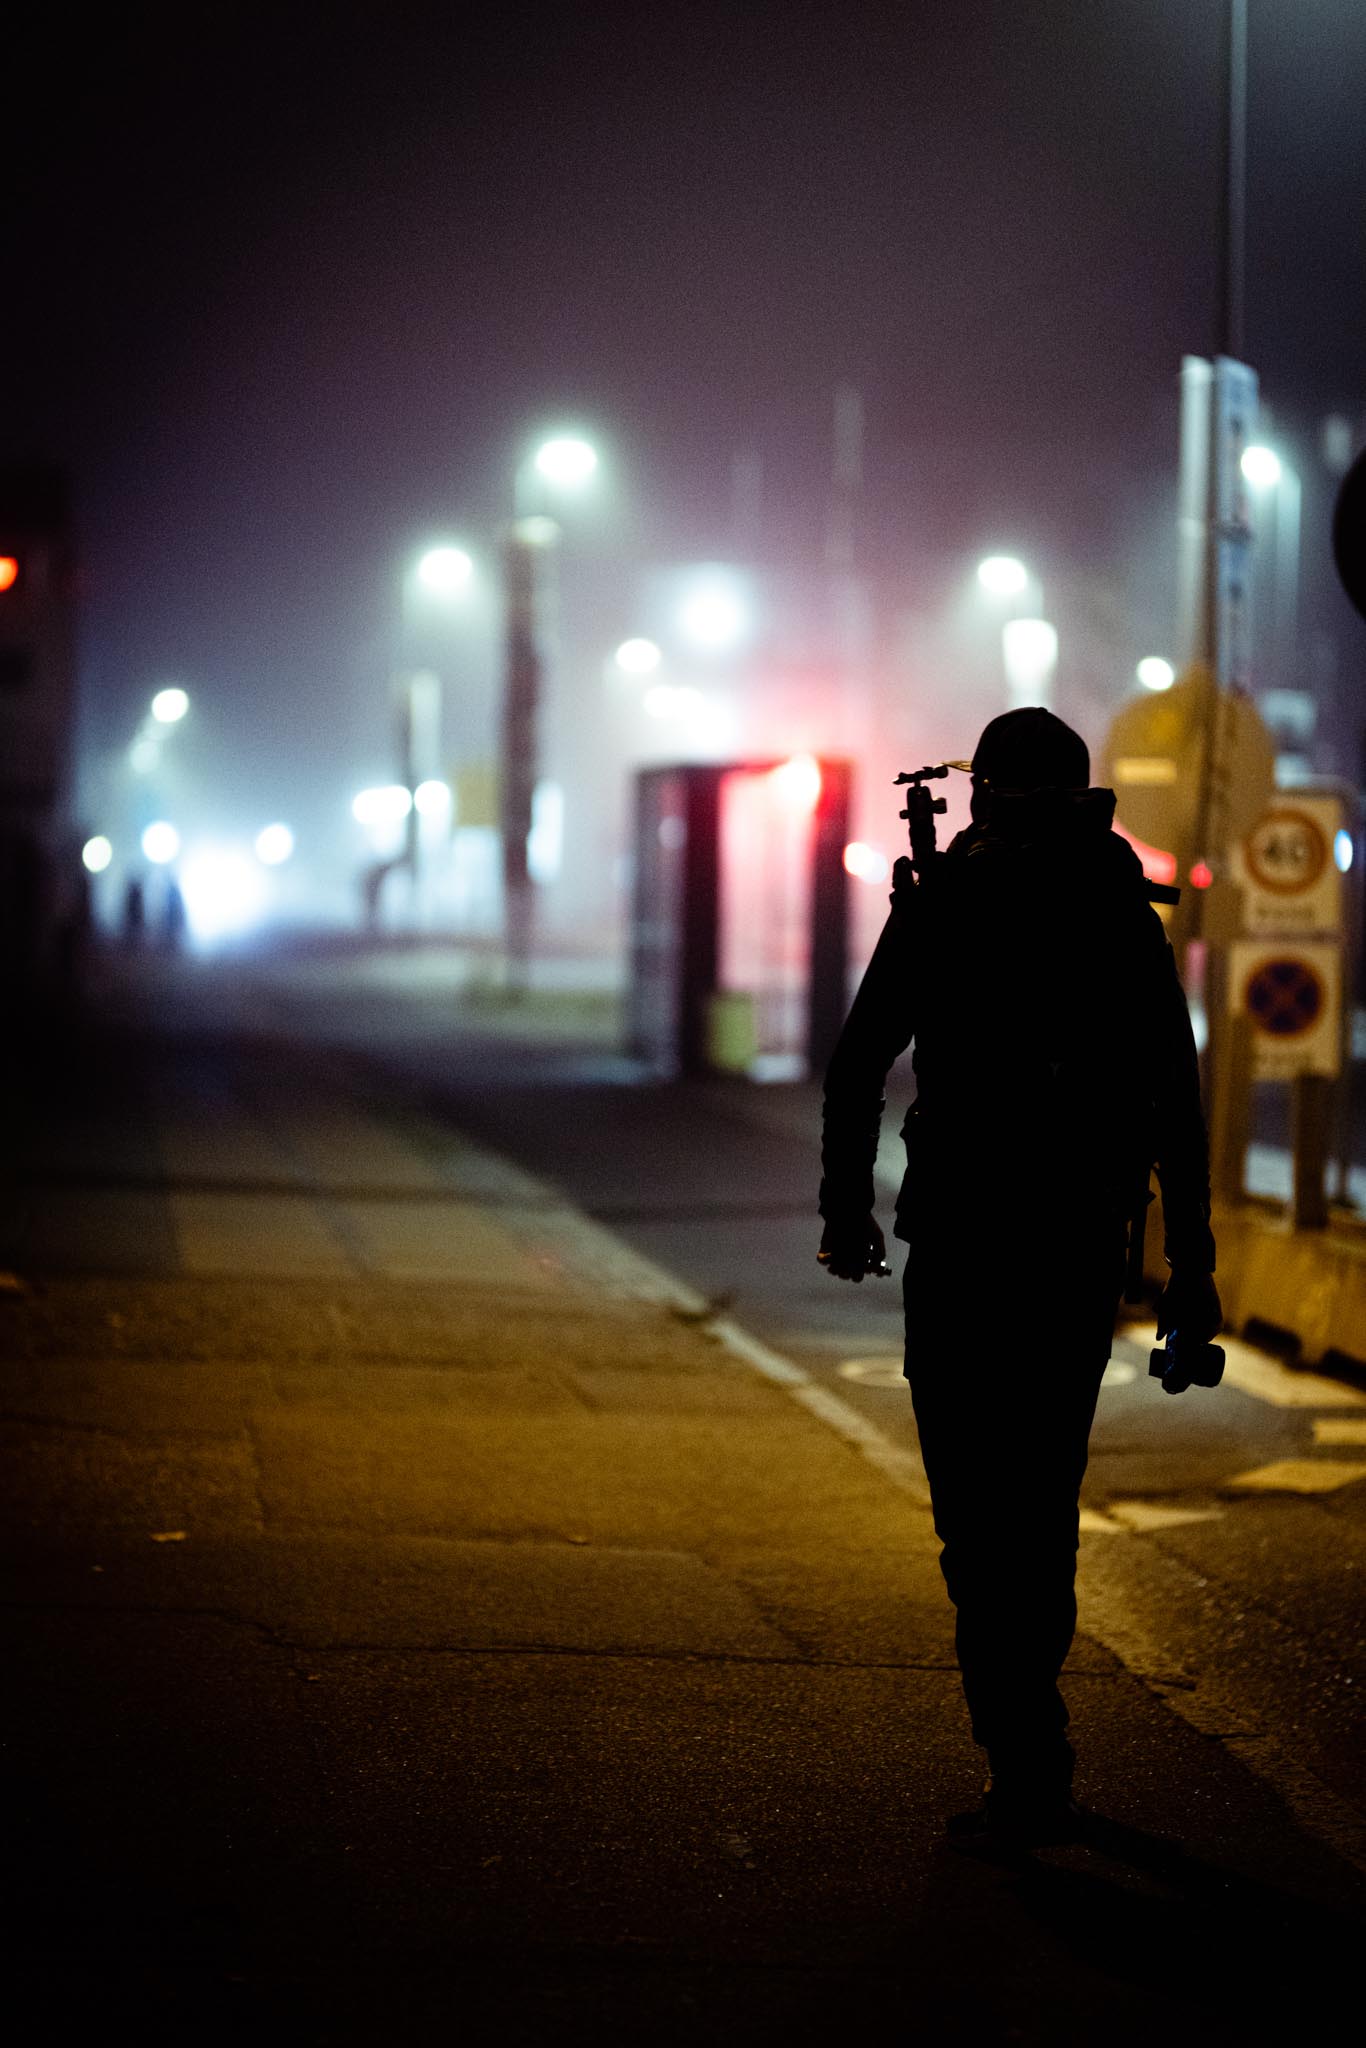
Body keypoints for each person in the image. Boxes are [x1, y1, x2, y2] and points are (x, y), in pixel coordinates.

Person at [817, 707, 1221, 1846]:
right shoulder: (1120, 913)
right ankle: (1031, 1750)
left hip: (960, 1247)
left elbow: (856, 1067)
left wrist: (846, 1214)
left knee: (972, 1505)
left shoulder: (946, 901)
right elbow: (1174, 1111)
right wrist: (1189, 1272)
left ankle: (1016, 1742)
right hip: (1073, 1249)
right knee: (1041, 1496)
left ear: (982, 790)